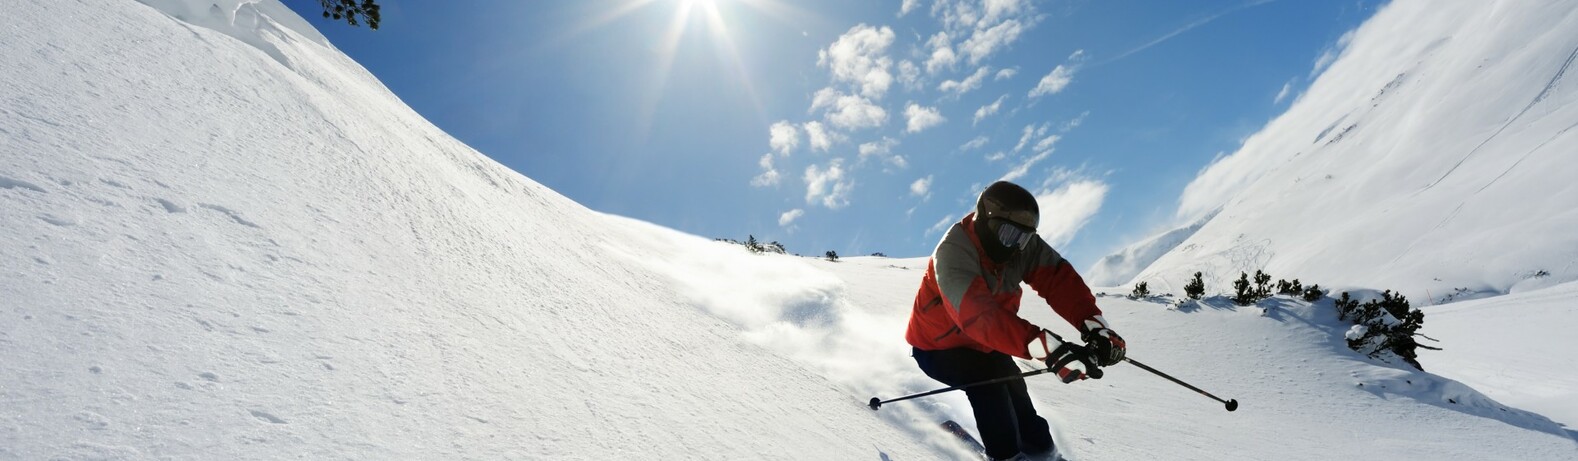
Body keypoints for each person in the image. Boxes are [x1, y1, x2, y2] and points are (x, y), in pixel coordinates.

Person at [906, 181, 1126, 461]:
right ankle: (1006, 456)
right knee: (989, 383)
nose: (1015, 246)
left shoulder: (1021, 247)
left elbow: (1058, 280)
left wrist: (1095, 326)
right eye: (1009, 234)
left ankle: (1043, 452)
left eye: (1024, 238)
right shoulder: (954, 251)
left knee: (1014, 386)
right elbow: (977, 316)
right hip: (937, 348)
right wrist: (1048, 349)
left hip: (988, 343)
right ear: (985, 221)